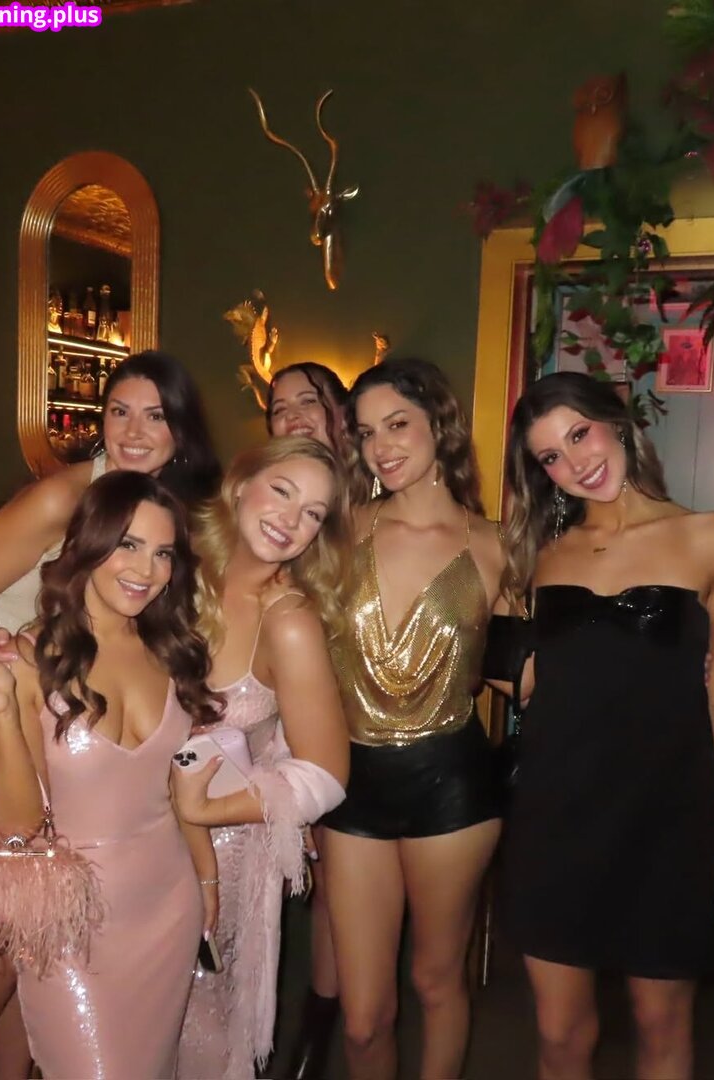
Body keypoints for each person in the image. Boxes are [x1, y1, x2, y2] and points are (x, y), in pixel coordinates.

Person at [0, 350, 219, 1080]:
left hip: (61, 716)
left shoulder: (168, 518)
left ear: (182, 431)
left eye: (155, 415)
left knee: (35, 941)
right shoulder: (60, 499)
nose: (134, 431)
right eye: (118, 412)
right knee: (13, 924)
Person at [501, 371, 714, 1080]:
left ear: (615, 420)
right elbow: (518, 674)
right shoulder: (541, 555)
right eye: (551, 456)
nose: (575, 462)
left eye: (579, 434)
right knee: (559, 1035)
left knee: (660, 1024)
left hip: (667, 817)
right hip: (555, 816)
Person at [321, 358, 504, 1080]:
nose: (382, 446)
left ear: (439, 424)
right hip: (352, 781)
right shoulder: (339, 529)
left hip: (452, 786)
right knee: (363, 1019)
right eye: (367, 433)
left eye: (397, 424)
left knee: (436, 980)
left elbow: (528, 665)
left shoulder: (496, 545)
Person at [174, 436, 351, 1080]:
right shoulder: (166, 566)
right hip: (123, 840)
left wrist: (207, 809)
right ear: (240, 483)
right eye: (282, 491)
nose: (291, 520)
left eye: (314, 513)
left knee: (195, 1034)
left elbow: (326, 775)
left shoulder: (288, 620)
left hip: (221, 862)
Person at [266, 362, 348, 1079]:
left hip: (363, 725)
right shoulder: (265, 504)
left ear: (339, 415)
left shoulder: (371, 504)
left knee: (335, 889)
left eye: (309, 402)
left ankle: (318, 1027)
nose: (293, 415)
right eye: (279, 406)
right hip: (279, 717)